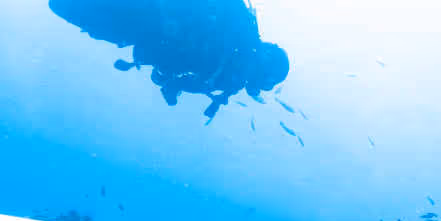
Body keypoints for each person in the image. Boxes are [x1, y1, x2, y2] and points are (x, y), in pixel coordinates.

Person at [48, 0, 289, 118]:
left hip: (145, 22)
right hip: (143, 24)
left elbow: (179, 80)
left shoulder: (232, 69)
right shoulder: (234, 67)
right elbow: (176, 80)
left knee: (65, 6)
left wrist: (171, 84)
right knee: (65, 6)